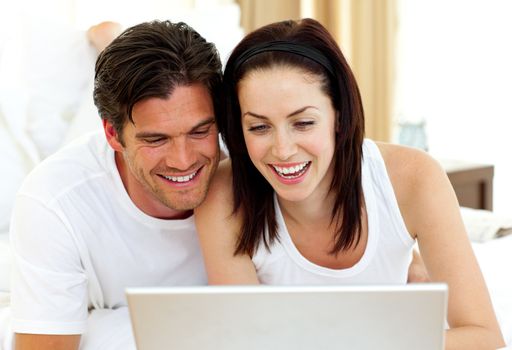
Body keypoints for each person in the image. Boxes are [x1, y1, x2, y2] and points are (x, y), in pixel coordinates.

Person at [194, 18, 505, 349]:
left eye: (303, 123)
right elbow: (245, 341)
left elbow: (483, 335)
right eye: (259, 127)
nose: (282, 150)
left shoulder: (415, 178)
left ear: (339, 116)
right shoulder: (222, 195)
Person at [9, 20, 222, 350]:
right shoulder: (52, 199)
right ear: (111, 134)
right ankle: (106, 39)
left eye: (199, 131)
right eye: (156, 139)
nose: (183, 160)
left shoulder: (250, 169)